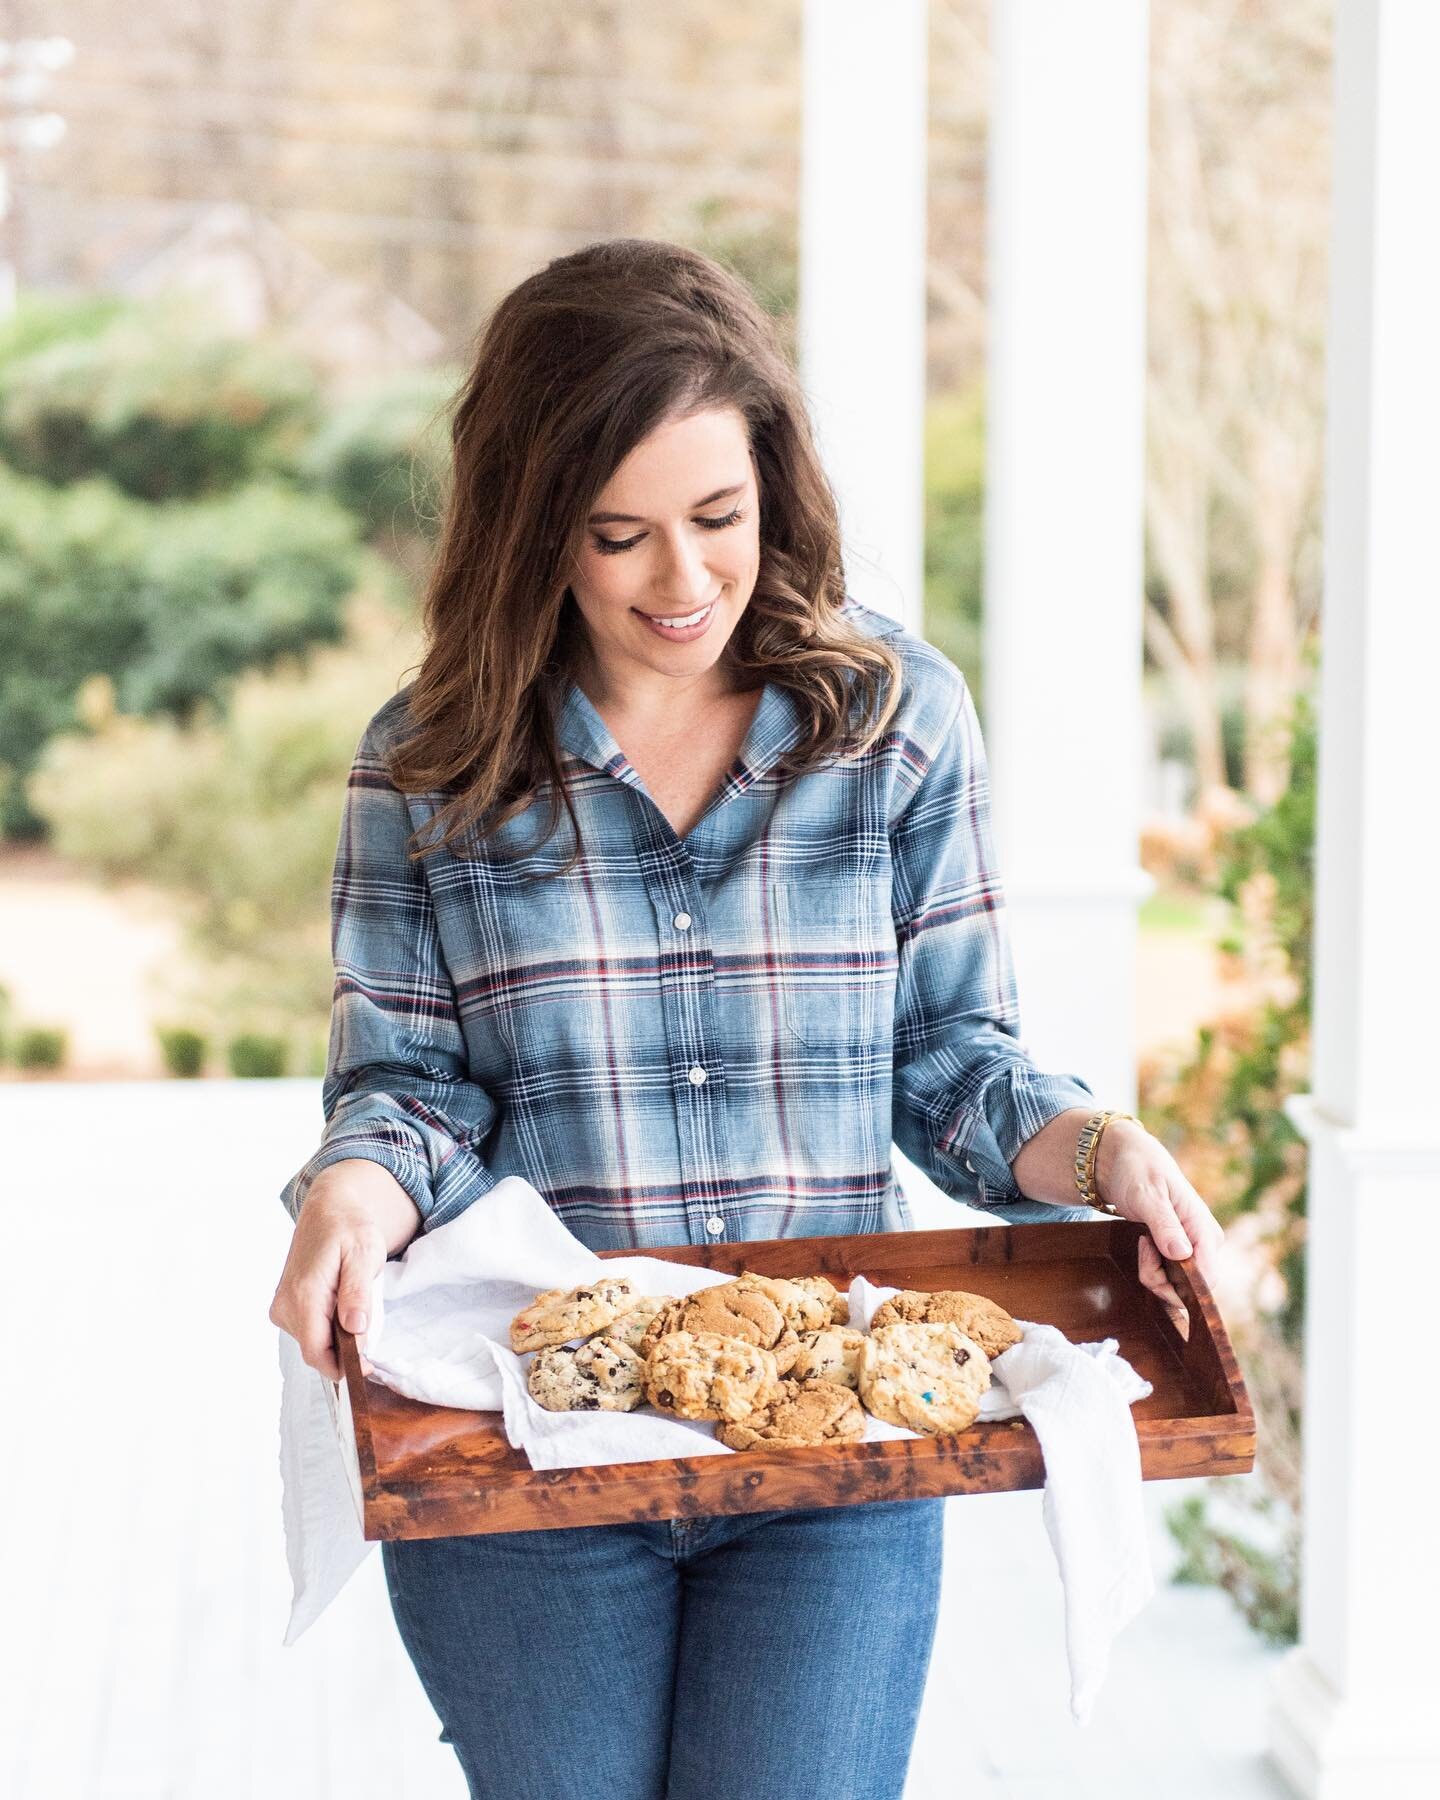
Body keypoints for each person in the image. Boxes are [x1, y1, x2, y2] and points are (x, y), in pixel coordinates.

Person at [269, 237, 1224, 1800]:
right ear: (535, 532)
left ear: (774, 487)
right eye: (619, 535)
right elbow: (411, 1087)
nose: (684, 580)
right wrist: (351, 1196)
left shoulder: (895, 721)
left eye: (719, 517)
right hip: (533, 1438)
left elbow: (954, 1065)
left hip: (834, 1451)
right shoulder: (432, 763)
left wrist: (1104, 1149)